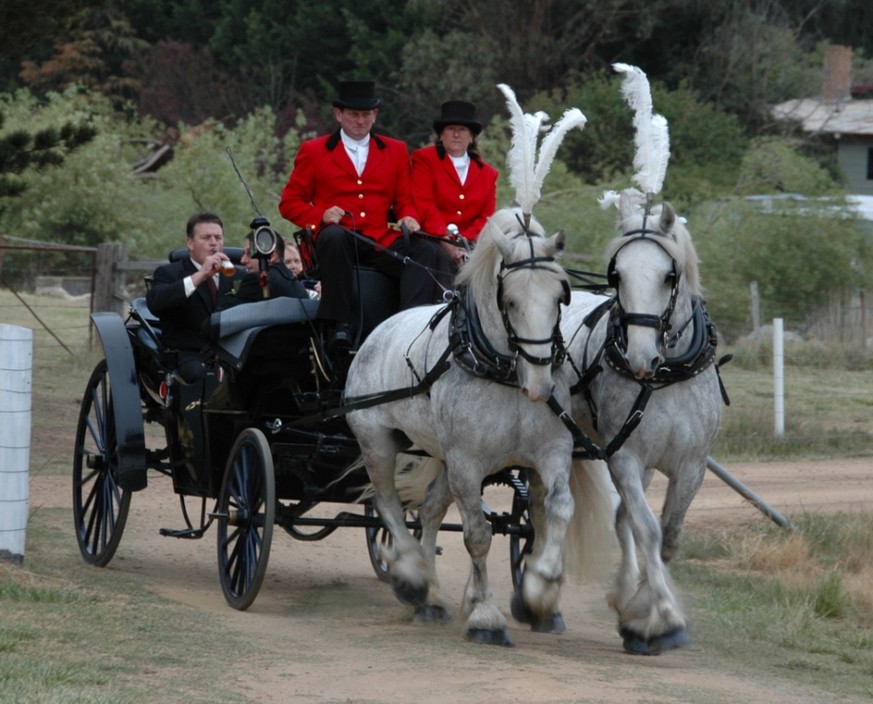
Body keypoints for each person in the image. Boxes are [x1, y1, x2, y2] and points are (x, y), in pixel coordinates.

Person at [278, 80, 454, 352]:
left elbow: (405, 199)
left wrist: (408, 216)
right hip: (339, 237)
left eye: (365, 115)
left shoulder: (395, 150)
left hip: (378, 238)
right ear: (339, 114)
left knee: (427, 252)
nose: (360, 121)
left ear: (375, 116)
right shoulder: (313, 151)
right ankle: (340, 325)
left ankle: (410, 326)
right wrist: (320, 214)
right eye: (353, 114)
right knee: (334, 238)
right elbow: (289, 203)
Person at [146, 212, 240, 382]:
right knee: (199, 376)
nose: (214, 243)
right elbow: (155, 303)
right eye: (206, 237)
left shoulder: (236, 275)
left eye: (218, 237)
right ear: (190, 243)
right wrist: (201, 274)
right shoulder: (169, 273)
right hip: (189, 355)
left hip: (231, 353)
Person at [411, 100, 499, 268]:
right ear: (441, 135)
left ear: (471, 136)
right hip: (432, 240)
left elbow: (486, 216)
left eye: (462, 130)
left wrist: (463, 242)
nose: (456, 135)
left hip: (470, 243)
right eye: (451, 129)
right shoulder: (424, 159)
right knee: (439, 257)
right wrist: (446, 241)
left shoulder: (488, 174)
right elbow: (424, 204)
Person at [222, 231, 309, 305]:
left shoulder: (258, 279)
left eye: (249, 254)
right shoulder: (294, 283)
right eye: (243, 254)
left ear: (272, 255)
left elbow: (223, 319)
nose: (243, 260)